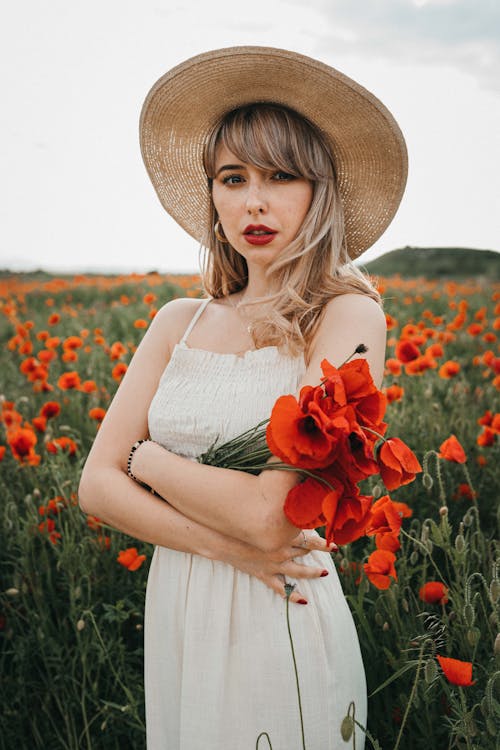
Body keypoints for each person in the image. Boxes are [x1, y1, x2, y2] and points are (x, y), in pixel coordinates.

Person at [78, 46, 407, 749]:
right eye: (233, 178)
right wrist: (222, 547)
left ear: (322, 192)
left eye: (281, 176)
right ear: (213, 196)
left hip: (279, 606)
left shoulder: (346, 316)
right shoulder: (178, 321)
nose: (253, 200)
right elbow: (94, 490)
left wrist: (147, 460)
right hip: (183, 605)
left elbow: (271, 521)